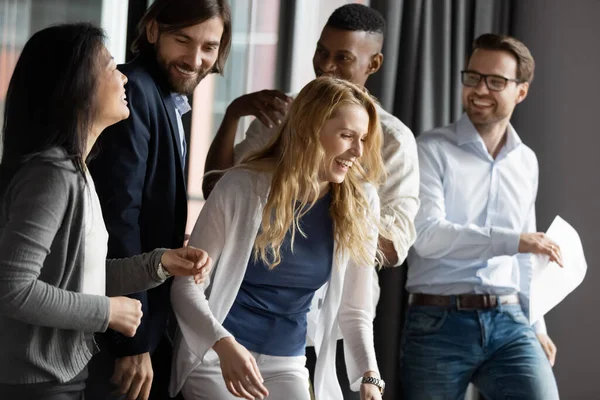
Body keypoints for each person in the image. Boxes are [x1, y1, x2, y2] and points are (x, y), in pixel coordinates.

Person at [0, 23, 211, 400]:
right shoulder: (52, 175)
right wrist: (106, 313)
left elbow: (82, 277)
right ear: (77, 85)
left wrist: (160, 263)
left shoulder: (75, 171)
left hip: (56, 380)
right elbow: (12, 289)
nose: (124, 79)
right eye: (112, 67)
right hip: (36, 385)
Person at [169, 77, 386, 400]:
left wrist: (370, 376)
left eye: (364, 139)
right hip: (216, 354)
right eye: (346, 136)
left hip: (286, 361)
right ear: (310, 131)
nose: (358, 151)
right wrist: (223, 345)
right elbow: (185, 286)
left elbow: (355, 309)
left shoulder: (360, 201)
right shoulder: (241, 187)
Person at [402, 33, 562, 400]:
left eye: (496, 81)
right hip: (437, 322)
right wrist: (514, 241)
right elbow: (426, 236)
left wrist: (536, 323)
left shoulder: (526, 161)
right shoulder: (430, 149)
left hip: (509, 320)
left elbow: (527, 258)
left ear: (520, 91)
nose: (479, 90)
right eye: (473, 77)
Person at [86, 1, 231, 399]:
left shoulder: (167, 98)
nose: (195, 58)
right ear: (152, 31)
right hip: (120, 329)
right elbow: (119, 219)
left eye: (209, 46)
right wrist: (131, 340)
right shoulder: (133, 92)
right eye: (183, 40)